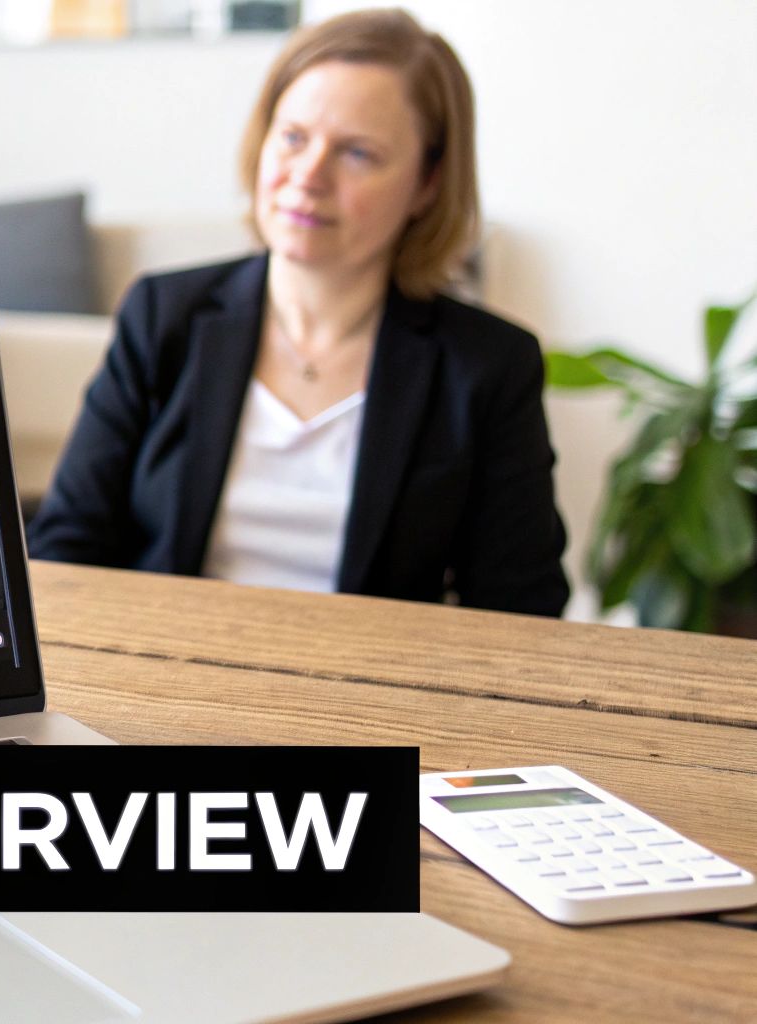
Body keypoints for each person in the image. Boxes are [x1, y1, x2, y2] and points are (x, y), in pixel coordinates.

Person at [28, 9, 568, 616]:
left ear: (427, 184)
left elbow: (522, 610)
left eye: (358, 153)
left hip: (368, 698)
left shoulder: (489, 365)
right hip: (164, 681)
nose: (308, 176)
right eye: (292, 137)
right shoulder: (162, 315)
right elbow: (65, 555)